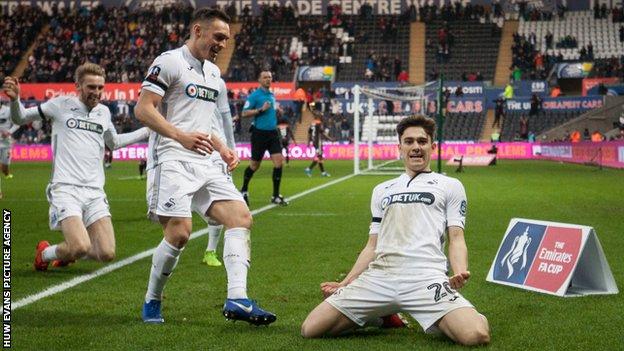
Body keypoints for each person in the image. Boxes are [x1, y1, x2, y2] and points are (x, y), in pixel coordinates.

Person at [135, 8, 275, 325]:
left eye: (226, 39)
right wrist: (180, 136)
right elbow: (143, 110)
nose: (223, 44)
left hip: (205, 160)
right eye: (219, 37)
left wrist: (223, 148)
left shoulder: (213, 74)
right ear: (198, 30)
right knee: (180, 233)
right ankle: (152, 301)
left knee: (240, 217)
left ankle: (237, 298)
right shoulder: (169, 61)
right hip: (171, 159)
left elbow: (204, 120)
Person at [301, 115, 490, 346]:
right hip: (379, 277)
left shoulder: (450, 185)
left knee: (475, 335)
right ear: (399, 148)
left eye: (422, 141)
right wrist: (346, 282)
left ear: (433, 147)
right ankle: (381, 317)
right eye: (409, 142)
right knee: (310, 329)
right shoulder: (382, 189)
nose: (416, 147)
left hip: (425, 278)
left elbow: (457, 238)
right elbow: (372, 245)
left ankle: (456, 315)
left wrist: (460, 271)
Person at [2, 63, 149, 270]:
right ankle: (44, 253)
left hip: (95, 191)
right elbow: (21, 117)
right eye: (91, 87)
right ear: (78, 86)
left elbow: (113, 142)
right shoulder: (60, 105)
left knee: (106, 253)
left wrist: (146, 131)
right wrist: (16, 99)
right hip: (66, 188)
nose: (96, 92)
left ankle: (66, 253)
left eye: (100, 87)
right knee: (80, 246)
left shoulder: (104, 113)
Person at [202, 73, 238, 268]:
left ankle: (210, 251)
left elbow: (225, 116)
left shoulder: (217, 81)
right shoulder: (179, 73)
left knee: (224, 206)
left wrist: (230, 148)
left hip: (217, 152)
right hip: (193, 148)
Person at [239, 70, 288, 206]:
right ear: (259, 80)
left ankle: (276, 196)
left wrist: (276, 111)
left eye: (270, 77)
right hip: (259, 134)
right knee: (254, 165)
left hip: (273, 133)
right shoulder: (254, 96)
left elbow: (269, 111)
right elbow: (244, 113)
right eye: (265, 77)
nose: (268, 79)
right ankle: (243, 190)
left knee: (279, 162)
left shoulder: (271, 95)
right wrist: (260, 109)